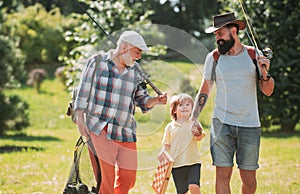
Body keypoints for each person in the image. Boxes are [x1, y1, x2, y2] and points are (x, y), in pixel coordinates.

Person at [74, 30, 168, 194]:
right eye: (137, 51)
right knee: (106, 180)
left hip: (126, 131)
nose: (139, 56)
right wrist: (80, 119)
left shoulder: (135, 70)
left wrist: (154, 100)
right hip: (100, 128)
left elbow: (141, 98)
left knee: (128, 178)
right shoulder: (96, 62)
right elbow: (83, 91)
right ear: (124, 47)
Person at [190, 13, 275, 194]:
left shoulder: (253, 55)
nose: (217, 39)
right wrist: (194, 117)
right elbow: (204, 89)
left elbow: (268, 90)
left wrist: (265, 73)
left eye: (220, 34)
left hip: (249, 125)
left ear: (233, 31)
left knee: (249, 178)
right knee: (222, 174)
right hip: (221, 124)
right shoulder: (213, 58)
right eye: (216, 35)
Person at [158, 93, 205, 194]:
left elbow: (199, 138)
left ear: (192, 108)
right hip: (177, 164)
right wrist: (162, 153)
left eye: (188, 104)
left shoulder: (194, 123)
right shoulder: (170, 127)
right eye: (180, 105)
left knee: (194, 185)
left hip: (193, 161)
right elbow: (166, 145)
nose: (184, 107)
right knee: (182, 191)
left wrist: (197, 133)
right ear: (174, 110)